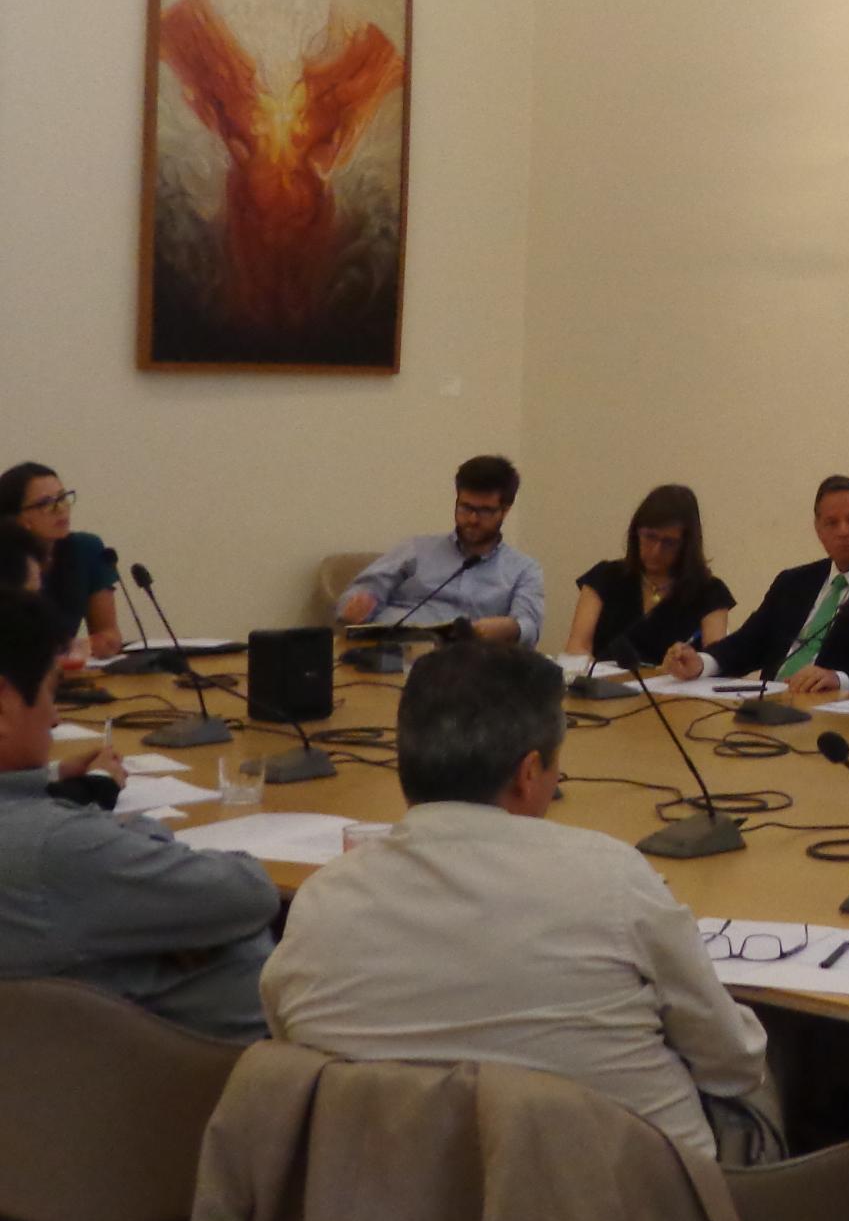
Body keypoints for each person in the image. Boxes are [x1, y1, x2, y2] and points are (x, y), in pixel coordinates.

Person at [262, 640, 776, 1162]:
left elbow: (288, 1044)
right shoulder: (612, 881)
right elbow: (733, 1064)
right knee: (760, 1090)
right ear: (531, 773)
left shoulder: (321, 901)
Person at [0, 588, 280, 1039]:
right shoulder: (55, 848)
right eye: (53, 692)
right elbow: (251, 894)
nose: (55, 718)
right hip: (195, 1089)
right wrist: (177, 922)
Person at [661, 475, 849, 696]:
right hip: (770, 706)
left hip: (838, 720)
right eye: (831, 523)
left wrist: (839, 679)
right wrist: (701, 663)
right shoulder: (793, 582)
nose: (843, 531)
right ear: (818, 529)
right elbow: (748, 643)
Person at [337, 454, 544, 647]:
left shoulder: (523, 569)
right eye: (465, 507)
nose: (472, 519)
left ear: (505, 510)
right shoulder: (416, 549)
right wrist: (355, 606)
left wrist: (513, 628)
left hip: (467, 662)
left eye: (484, 511)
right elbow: (364, 591)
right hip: (396, 651)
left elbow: (529, 626)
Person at [567, 484, 735, 669]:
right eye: (649, 537)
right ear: (636, 532)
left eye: (669, 543)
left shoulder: (709, 592)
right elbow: (578, 646)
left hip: (675, 693)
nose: (656, 551)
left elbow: (715, 660)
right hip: (604, 691)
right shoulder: (604, 577)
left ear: (687, 545)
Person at [1, 461, 119, 660]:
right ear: (17, 518)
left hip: (64, 676)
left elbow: (110, 635)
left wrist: (87, 646)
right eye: (45, 503)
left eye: (63, 498)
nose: (61, 509)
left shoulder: (86, 549)